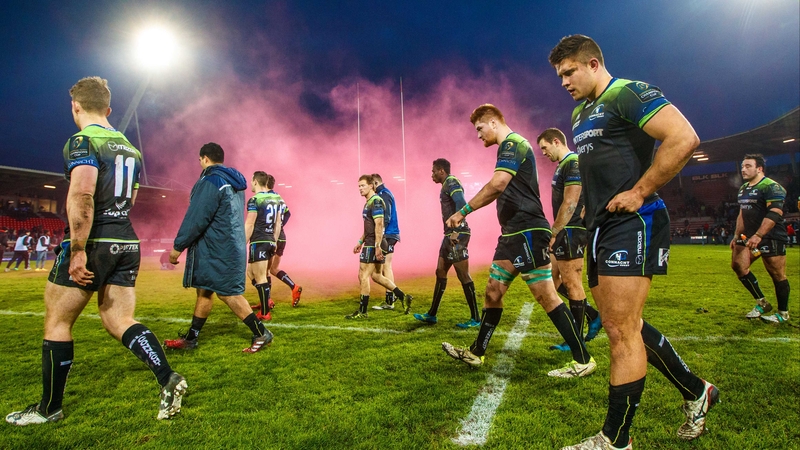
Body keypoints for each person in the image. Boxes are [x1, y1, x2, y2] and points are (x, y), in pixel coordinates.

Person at [549, 35, 718, 449]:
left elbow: (683, 137)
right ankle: (698, 391)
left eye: (569, 72)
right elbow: (598, 172)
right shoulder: (579, 113)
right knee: (622, 326)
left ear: (592, 64)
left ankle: (615, 440)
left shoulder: (627, 92)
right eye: (560, 76)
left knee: (622, 330)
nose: (564, 82)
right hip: (603, 227)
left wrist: (640, 191)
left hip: (636, 221)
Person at [6, 77, 186, 426]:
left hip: (96, 241)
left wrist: (77, 250)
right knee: (120, 320)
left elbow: (83, 195)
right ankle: (168, 377)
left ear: (75, 106)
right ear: (109, 109)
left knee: (57, 322)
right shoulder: (130, 149)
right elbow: (131, 200)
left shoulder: (82, 142)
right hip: (126, 240)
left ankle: (49, 409)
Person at [441, 104, 596, 379]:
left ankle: (583, 359)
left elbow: (498, 184)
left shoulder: (513, 144)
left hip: (528, 231)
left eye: (479, 129)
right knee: (492, 291)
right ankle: (477, 352)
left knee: (547, 296)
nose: (478, 135)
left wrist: (463, 211)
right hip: (512, 234)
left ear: (493, 122)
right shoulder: (508, 147)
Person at [164, 143, 273, 353]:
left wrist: (178, 246)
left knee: (227, 293)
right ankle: (192, 338)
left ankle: (261, 332)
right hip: (226, 244)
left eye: (199, 160)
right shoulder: (234, 181)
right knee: (204, 291)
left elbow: (197, 216)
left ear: (204, 159)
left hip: (219, 247)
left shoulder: (211, 180)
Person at [536, 128, 603, 351]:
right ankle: (593, 316)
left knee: (573, 284)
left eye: (545, 147)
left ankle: (576, 339)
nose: (543, 152)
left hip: (571, 230)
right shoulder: (562, 166)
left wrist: (554, 232)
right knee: (552, 280)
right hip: (565, 230)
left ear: (556, 141)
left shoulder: (572, 161)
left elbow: (571, 202)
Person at [413, 158, 480, 327]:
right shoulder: (446, 185)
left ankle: (476, 319)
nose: (432, 175)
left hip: (457, 234)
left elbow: (462, 204)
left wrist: (456, 231)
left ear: (441, 170)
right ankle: (432, 314)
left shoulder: (451, 182)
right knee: (440, 271)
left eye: (433, 171)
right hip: (449, 235)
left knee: (463, 275)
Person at [731, 154, 790, 324]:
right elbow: (742, 213)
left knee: (777, 274)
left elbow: (775, 213)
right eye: (742, 166)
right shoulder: (743, 188)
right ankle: (762, 303)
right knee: (738, 265)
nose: (743, 169)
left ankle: (783, 313)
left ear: (759, 169)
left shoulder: (772, 187)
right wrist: (737, 236)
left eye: (748, 166)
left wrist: (759, 235)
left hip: (770, 236)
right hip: (748, 237)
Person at [349, 174, 412, 318]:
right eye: (358, 186)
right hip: (371, 242)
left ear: (372, 185)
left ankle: (362, 312)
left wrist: (377, 246)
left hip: (373, 244)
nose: (360, 188)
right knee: (377, 275)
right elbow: (369, 227)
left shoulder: (376, 201)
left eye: (363, 185)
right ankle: (403, 297)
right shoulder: (369, 202)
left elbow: (379, 225)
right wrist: (360, 241)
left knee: (363, 275)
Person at [245, 171, 283, 322]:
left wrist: (242, 244)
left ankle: (265, 312)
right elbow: (278, 223)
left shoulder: (254, 199)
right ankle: (266, 300)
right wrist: (273, 240)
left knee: (260, 277)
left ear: (255, 182)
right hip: (270, 240)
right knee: (251, 273)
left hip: (258, 241)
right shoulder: (276, 198)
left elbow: (249, 224)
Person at [266, 174, 302, 307]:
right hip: (282, 237)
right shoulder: (279, 197)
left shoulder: (266, 198)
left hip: (273, 238)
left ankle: (267, 301)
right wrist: (281, 226)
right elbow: (288, 213)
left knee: (265, 270)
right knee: (273, 268)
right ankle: (294, 286)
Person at [370, 173, 402, 311]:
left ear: (376, 183)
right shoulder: (386, 192)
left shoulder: (383, 194)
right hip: (391, 233)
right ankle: (390, 299)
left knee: (385, 267)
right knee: (386, 266)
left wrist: (380, 234)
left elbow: (386, 216)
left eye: (371, 185)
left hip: (389, 234)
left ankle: (391, 300)